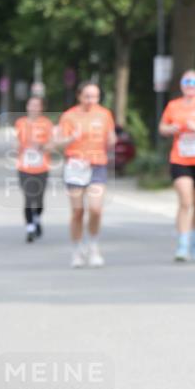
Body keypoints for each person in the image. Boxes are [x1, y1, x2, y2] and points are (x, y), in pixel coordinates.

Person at [56, 82, 116, 268]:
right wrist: (70, 138)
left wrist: (112, 141)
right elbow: (58, 143)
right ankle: (77, 250)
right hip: (75, 165)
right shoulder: (69, 116)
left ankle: (93, 246)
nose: (92, 100)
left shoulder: (104, 114)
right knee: (77, 211)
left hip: (97, 164)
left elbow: (111, 137)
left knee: (96, 209)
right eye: (88, 96)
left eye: (95, 96)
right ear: (79, 96)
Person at [159, 69, 195, 261]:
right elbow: (162, 127)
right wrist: (170, 129)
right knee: (185, 202)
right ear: (182, 85)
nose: (190, 86)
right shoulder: (173, 105)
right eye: (186, 82)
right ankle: (182, 244)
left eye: (194, 83)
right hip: (180, 159)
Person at [13, 96, 54, 242]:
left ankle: (36, 217)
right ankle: (30, 228)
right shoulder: (20, 123)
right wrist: (18, 147)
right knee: (28, 197)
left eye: (37, 105)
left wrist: (41, 146)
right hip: (24, 166)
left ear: (41, 108)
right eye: (31, 105)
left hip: (42, 166)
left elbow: (52, 144)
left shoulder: (47, 124)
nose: (34, 108)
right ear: (27, 106)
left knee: (39, 200)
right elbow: (15, 142)